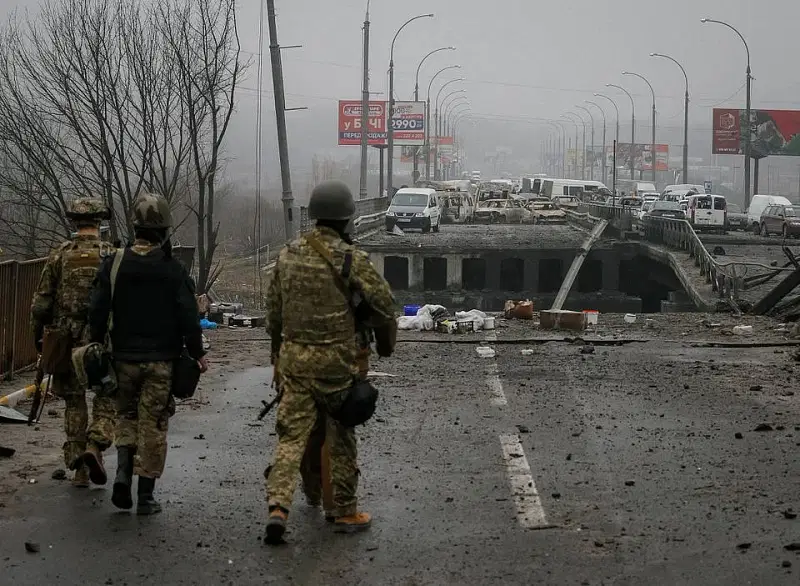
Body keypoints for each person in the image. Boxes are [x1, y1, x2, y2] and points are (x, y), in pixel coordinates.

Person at [265, 180, 396, 544]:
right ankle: (344, 509)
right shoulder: (351, 258)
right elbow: (386, 305)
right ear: (346, 220)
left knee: (291, 438)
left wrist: (277, 353)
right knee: (341, 436)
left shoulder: (287, 254)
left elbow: (273, 313)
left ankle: (278, 506)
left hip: (295, 362)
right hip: (338, 364)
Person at [88, 193, 208, 515]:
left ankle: (123, 475)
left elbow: (98, 309)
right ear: (165, 228)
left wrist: (96, 343)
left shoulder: (114, 263)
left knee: (126, 416)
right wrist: (197, 352)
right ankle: (145, 496)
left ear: (135, 226)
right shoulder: (173, 269)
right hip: (161, 362)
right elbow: (188, 316)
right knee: (153, 423)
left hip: (122, 359)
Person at [30, 197, 117, 488]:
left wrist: (38, 337)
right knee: (105, 395)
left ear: (74, 223)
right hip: (100, 337)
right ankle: (96, 445)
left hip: (66, 338)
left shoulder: (60, 255)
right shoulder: (112, 254)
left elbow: (41, 303)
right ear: (99, 222)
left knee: (74, 401)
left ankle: (79, 467)